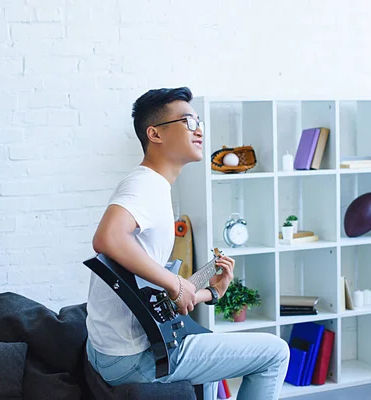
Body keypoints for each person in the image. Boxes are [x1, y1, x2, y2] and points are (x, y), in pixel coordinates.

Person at [86, 87, 290, 400]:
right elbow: (107, 238)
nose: (199, 131)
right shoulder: (146, 184)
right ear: (155, 134)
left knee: (210, 361)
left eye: (200, 123)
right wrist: (175, 284)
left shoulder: (151, 184)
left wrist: (210, 292)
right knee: (276, 352)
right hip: (133, 356)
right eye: (188, 122)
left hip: (113, 348)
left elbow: (148, 290)